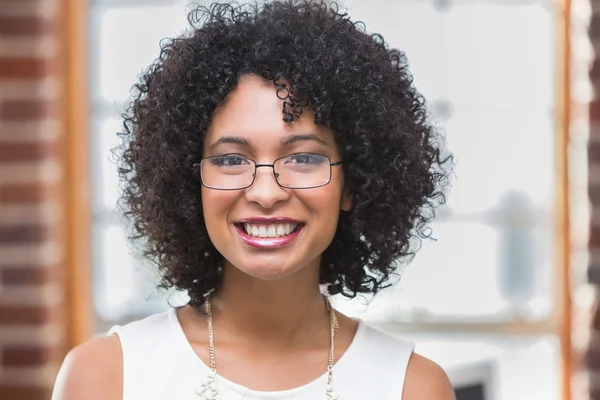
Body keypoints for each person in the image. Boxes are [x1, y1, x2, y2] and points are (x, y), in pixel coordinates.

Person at [53, 1, 454, 399]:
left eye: (303, 157)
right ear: (191, 183)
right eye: (230, 159)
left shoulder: (411, 387)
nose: (265, 193)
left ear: (353, 185)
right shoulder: (107, 378)